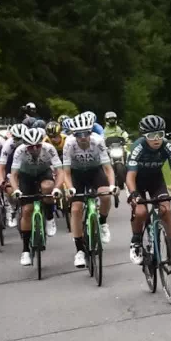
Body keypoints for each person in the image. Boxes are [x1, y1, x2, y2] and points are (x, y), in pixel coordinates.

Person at [126, 114, 171, 267]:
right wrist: (134, 194)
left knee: (166, 210)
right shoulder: (138, 147)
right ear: (144, 136)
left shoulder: (168, 147)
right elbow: (130, 175)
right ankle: (136, 241)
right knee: (140, 212)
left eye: (160, 134)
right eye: (152, 135)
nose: (156, 139)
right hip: (136, 182)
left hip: (156, 180)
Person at [60, 112, 116, 268]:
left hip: (94, 171)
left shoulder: (98, 141)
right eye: (79, 134)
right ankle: (79, 251)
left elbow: (108, 168)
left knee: (105, 195)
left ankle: (103, 223)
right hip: (77, 174)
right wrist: (70, 188)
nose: (83, 137)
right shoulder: (69, 144)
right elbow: (66, 172)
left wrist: (112, 185)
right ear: (74, 134)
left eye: (86, 133)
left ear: (91, 132)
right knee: (76, 209)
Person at [6, 127, 62, 266]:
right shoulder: (19, 151)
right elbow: (13, 175)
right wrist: (16, 189)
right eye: (31, 147)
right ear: (26, 146)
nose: (35, 149)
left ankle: (49, 218)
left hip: (44, 173)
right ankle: (25, 250)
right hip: (26, 177)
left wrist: (57, 188)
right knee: (26, 210)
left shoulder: (49, 148)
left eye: (38, 146)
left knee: (47, 188)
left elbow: (60, 171)